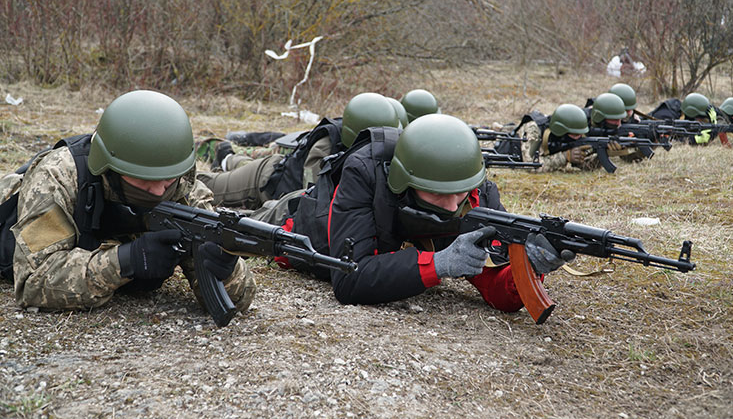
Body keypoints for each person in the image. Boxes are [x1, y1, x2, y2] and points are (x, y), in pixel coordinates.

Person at [288, 113, 574, 309]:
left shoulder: (476, 193)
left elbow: (496, 287)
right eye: (437, 194)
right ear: (405, 183)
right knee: (260, 196)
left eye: (459, 193)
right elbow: (349, 280)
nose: (452, 207)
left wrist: (530, 267)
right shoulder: (365, 175)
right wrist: (438, 263)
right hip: (304, 218)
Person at [8, 90, 256, 313]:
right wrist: (127, 260)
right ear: (110, 167)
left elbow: (242, 297)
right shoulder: (57, 176)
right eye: (144, 179)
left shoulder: (185, 190)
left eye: (168, 178)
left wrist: (225, 268)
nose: (159, 191)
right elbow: (32, 282)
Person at [196, 92, 400, 209]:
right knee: (209, 187)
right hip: (266, 180)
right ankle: (223, 155)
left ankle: (228, 157)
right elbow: (309, 200)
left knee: (239, 163)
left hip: (279, 168)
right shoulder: (325, 148)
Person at [511, 104, 598, 172]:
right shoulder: (534, 129)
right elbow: (530, 166)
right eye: (574, 134)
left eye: (580, 134)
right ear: (561, 130)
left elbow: (587, 166)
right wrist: (565, 156)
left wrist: (601, 155)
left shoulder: (573, 135)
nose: (578, 137)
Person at [648, 92, 718, 145]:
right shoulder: (666, 116)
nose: (701, 122)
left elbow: (706, 137)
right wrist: (694, 140)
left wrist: (713, 123)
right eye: (701, 119)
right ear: (691, 114)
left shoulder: (682, 116)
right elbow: (674, 141)